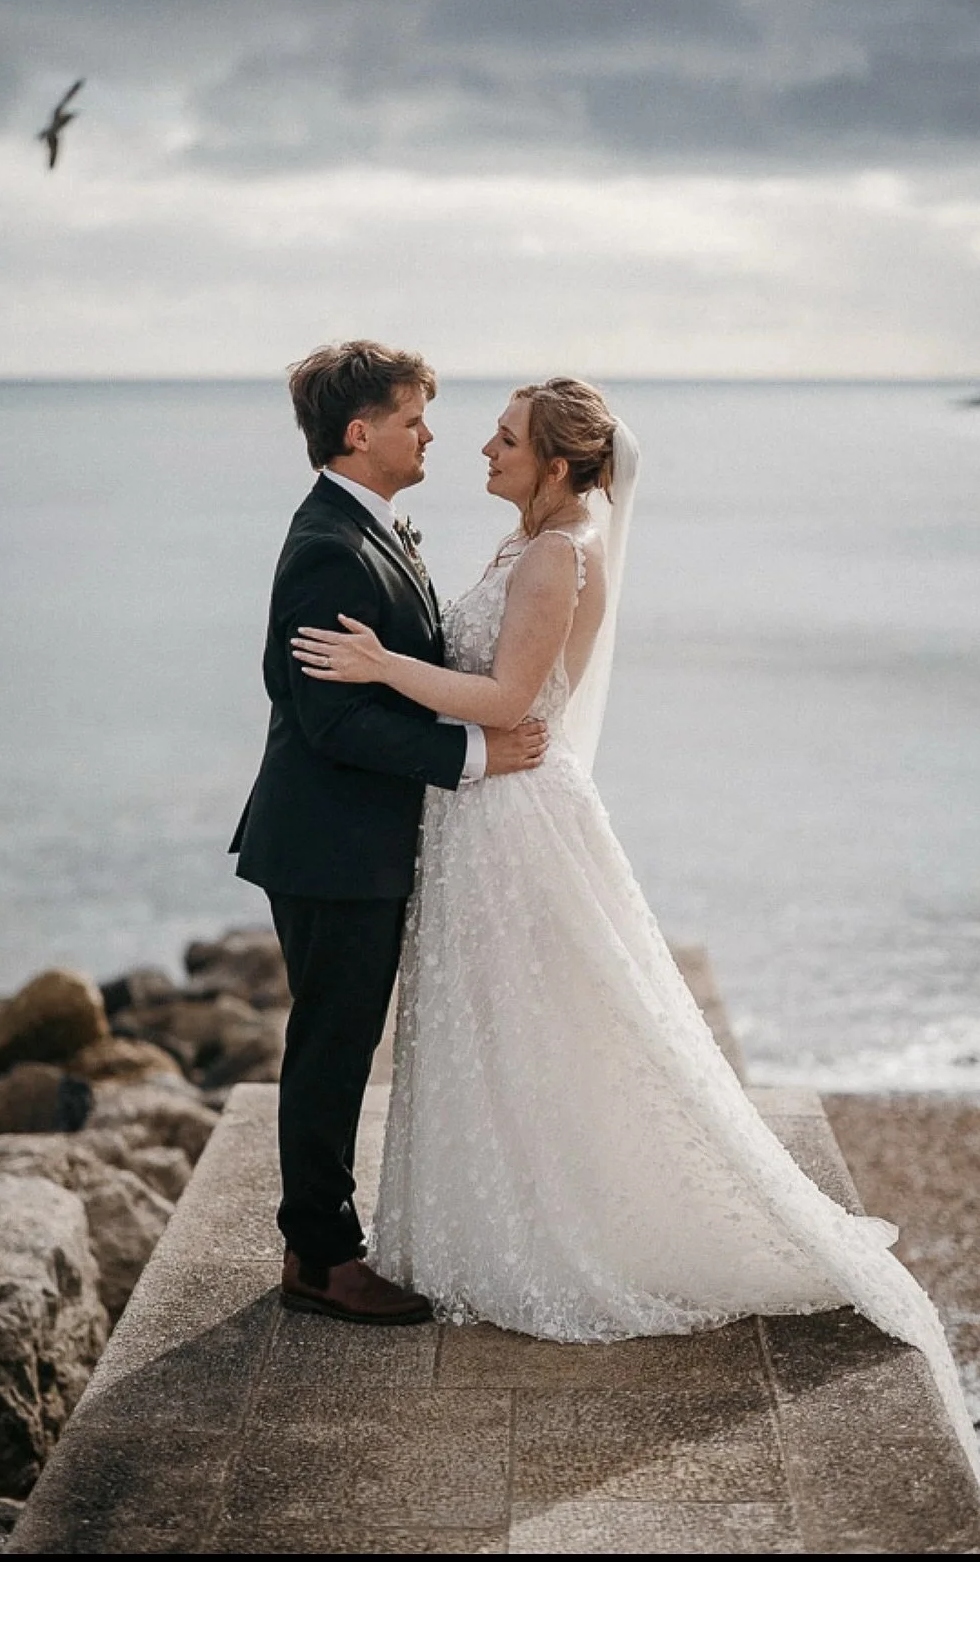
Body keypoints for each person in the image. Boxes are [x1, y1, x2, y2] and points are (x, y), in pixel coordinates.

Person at [291, 376, 980, 1487]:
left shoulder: (559, 554)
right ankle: (489, 1218)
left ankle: (555, 1229)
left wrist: (381, 667)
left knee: (547, 1025)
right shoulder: (532, 540)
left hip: (511, 816)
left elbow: (510, 700)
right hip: (478, 815)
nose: (482, 447)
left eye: (506, 438)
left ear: (560, 462)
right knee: (492, 1029)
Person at [229, 341, 548, 1326]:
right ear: (361, 433)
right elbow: (331, 720)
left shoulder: (369, 527)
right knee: (331, 1048)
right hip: (330, 846)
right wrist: (475, 754)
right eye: (414, 419)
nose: (431, 434)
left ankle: (319, 1247)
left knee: (341, 1039)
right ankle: (321, 1258)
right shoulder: (328, 545)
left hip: (355, 840)